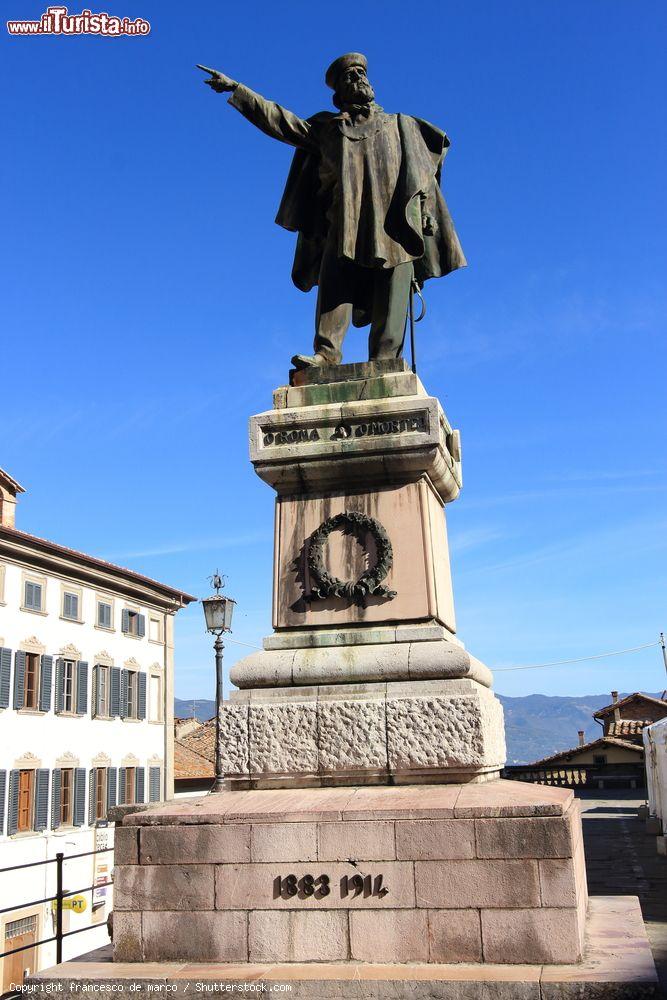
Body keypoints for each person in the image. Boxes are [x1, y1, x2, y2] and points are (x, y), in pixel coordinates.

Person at [202, 53, 466, 369]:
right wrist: (238, 90)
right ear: (338, 93)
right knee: (335, 285)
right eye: (349, 76)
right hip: (345, 222)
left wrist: (424, 212)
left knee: (393, 290)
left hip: (395, 223)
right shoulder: (327, 130)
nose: (358, 79)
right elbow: (281, 122)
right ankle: (326, 355)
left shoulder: (401, 125)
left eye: (361, 73)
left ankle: (384, 359)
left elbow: (423, 173)